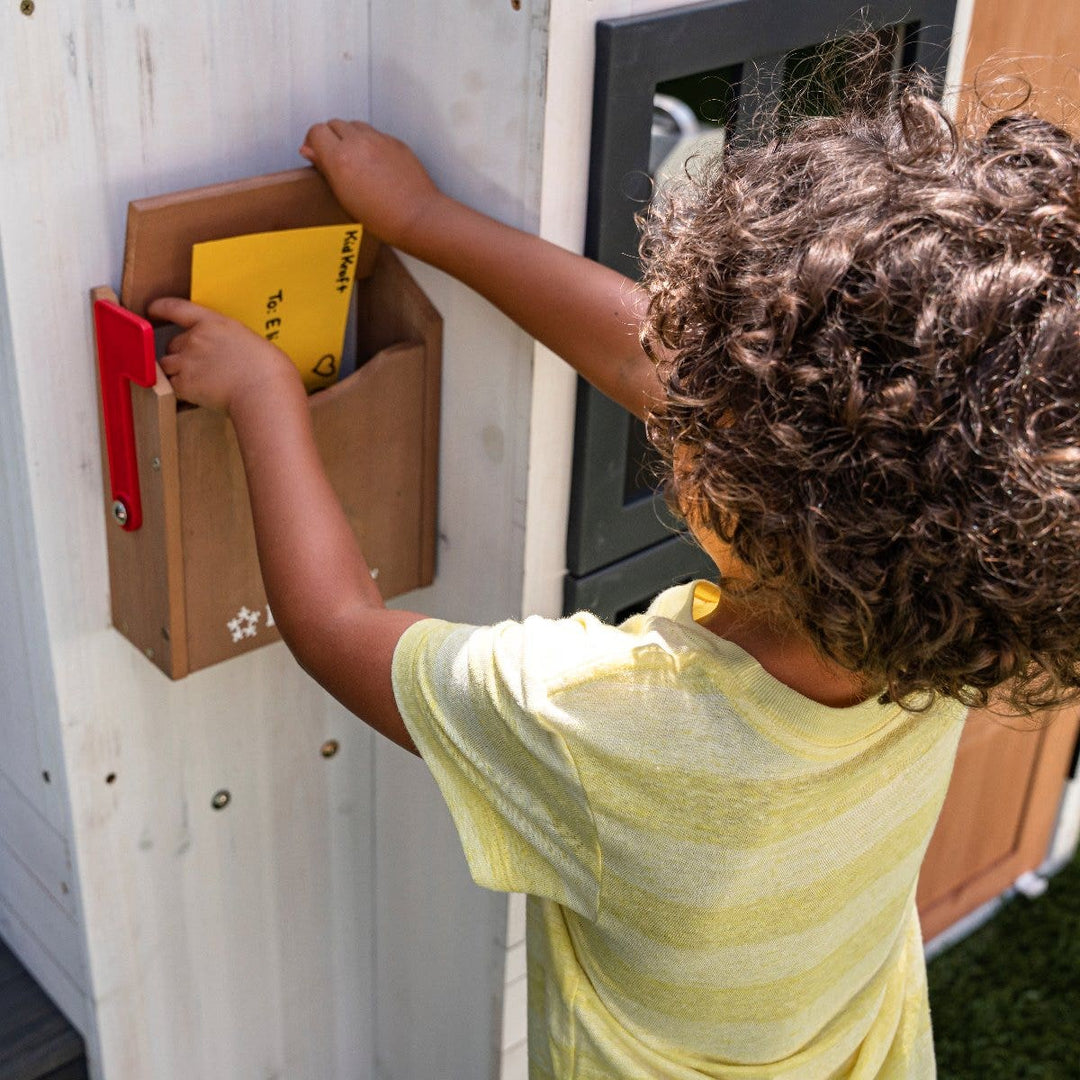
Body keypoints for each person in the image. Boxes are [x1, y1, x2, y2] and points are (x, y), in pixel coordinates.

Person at [147, 75, 1080, 1079]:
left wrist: (263, 394)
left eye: (707, 387)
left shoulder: (614, 726)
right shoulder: (947, 626)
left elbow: (335, 627)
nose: (675, 379)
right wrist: (423, 219)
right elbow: (690, 383)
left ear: (739, 489)